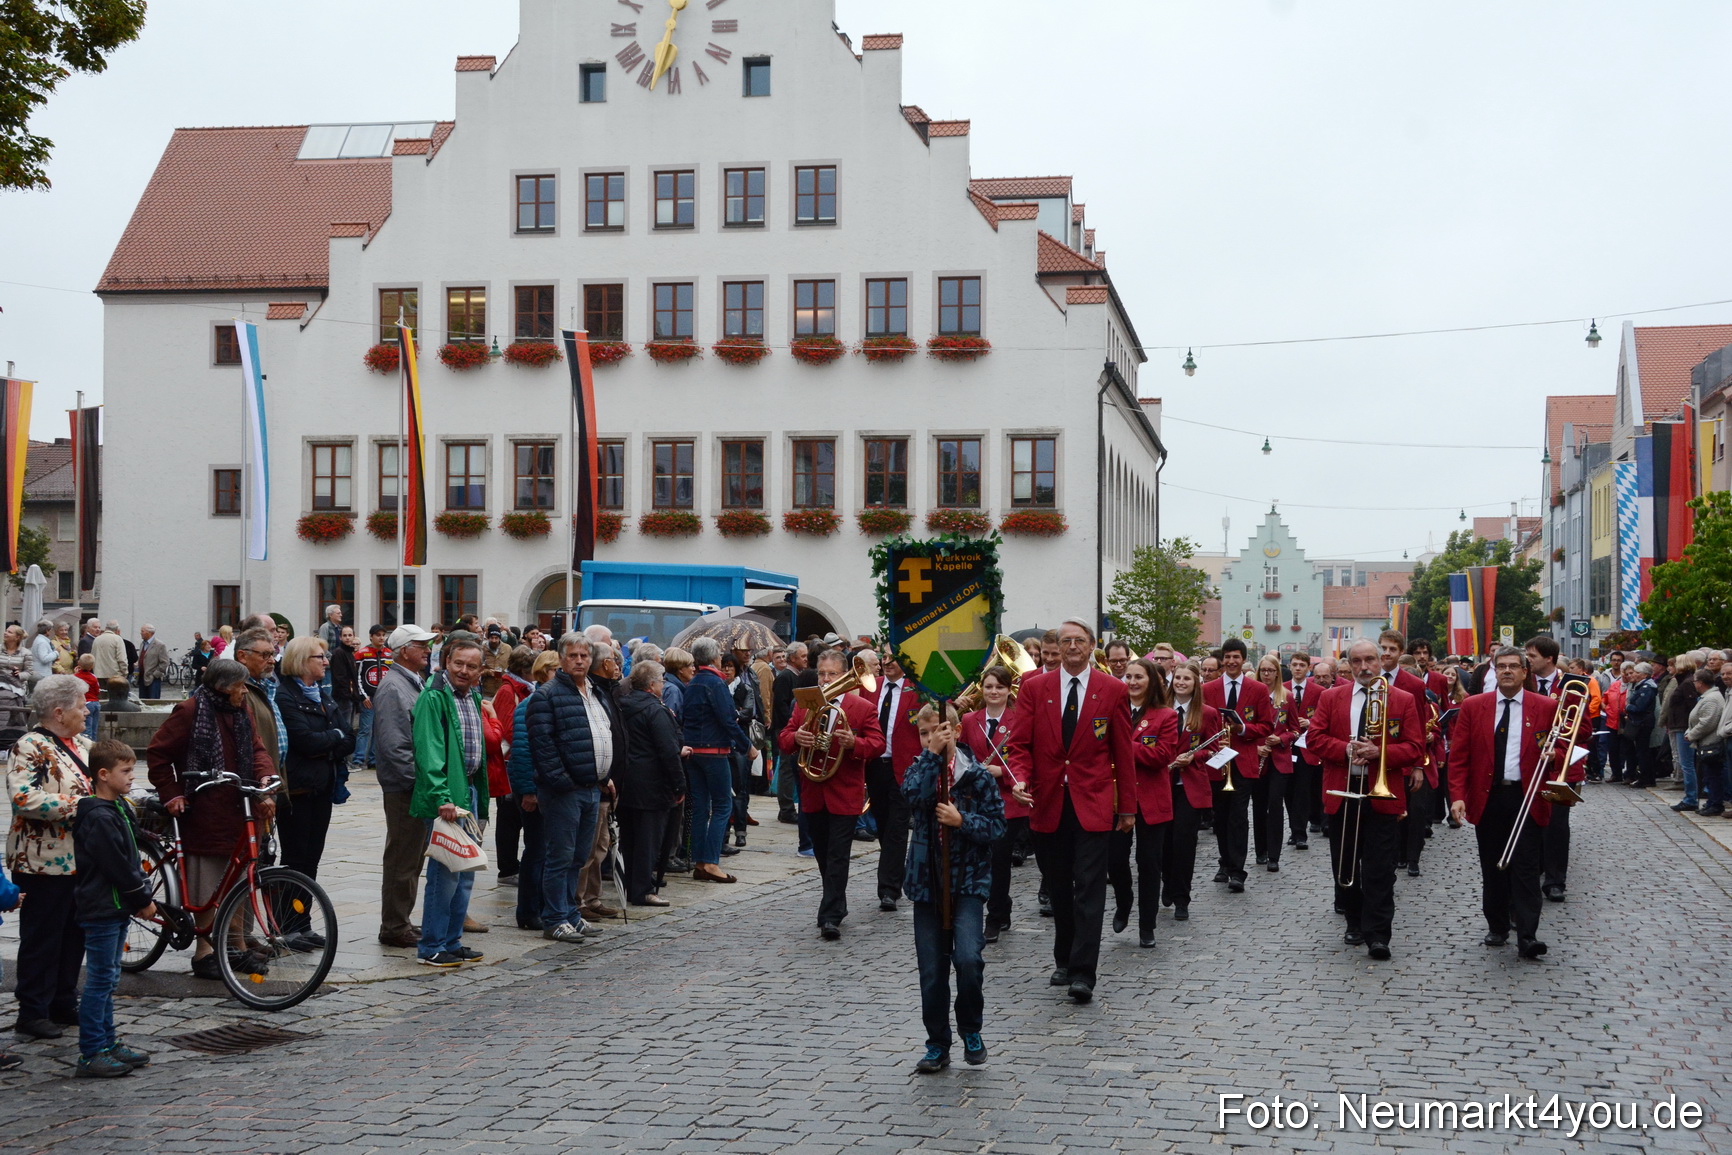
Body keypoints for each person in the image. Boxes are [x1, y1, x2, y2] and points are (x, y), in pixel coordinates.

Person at [1004, 618, 1135, 1004]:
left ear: (1092, 645)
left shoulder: (1111, 689)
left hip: (1093, 804)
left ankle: (1083, 972)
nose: (1073, 647)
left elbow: (1122, 752)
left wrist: (1127, 807)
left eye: (1080, 641)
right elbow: (1019, 744)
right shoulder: (1034, 687)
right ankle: (1064, 957)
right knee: (1058, 887)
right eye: (1066, 641)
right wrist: (1021, 778)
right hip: (1047, 803)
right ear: (1057, 647)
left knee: (1089, 888)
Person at [1449, 647, 1581, 960]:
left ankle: (1527, 935)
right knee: (1493, 865)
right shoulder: (1473, 706)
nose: (1507, 671)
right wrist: (1456, 796)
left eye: (1513, 666)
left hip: (1528, 796)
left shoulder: (1546, 706)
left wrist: (1555, 756)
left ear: (1525, 672)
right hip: (1488, 797)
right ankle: (1497, 925)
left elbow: (1567, 749)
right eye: (1501, 667)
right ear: (1493, 672)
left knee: (1525, 868)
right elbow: (1459, 757)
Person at [146, 658, 275, 976]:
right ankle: (204, 953)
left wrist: (264, 778)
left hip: (240, 807)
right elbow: (158, 754)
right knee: (207, 883)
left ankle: (236, 948)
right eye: (239, 685)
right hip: (205, 810)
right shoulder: (190, 711)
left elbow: (257, 750)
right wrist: (173, 793)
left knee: (238, 880)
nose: (244, 690)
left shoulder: (241, 709)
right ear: (222, 687)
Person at [1306, 639, 1425, 961]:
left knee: (1380, 867)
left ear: (1381, 661)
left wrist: (1380, 752)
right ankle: (1354, 921)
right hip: (1342, 791)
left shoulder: (1401, 699)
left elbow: (1415, 747)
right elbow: (1315, 737)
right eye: (1356, 661)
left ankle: (1378, 934)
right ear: (1349, 663)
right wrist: (1344, 749)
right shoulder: (1332, 697)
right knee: (1345, 864)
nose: (1363, 667)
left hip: (1381, 793)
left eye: (1370, 660)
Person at [902, 703, 1005, 1073]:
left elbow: (996, 827)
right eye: (924, 733)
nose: (931, 738)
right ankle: (937, 1041)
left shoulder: (977, 776)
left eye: (938, 731)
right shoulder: (921, 768)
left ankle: (970, 1029)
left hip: (968, 883)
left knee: (967, 959)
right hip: (927, 882)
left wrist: (963, 821)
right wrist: (930, 757)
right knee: (931, 969)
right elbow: (912, 796)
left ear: (956, 731)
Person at [7, 674, 94, 1039]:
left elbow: (107, 779)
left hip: (79, 860)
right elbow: (24, 799)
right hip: (41, 861)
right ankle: (32, 1012)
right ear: (59, 712)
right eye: (80, 705)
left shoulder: (82, 744)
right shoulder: (29, 746)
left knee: (73, 936)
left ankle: (62, 1001)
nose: (87, 710)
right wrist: (84, 805)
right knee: (42, 938)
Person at [779, 647, 885, 939]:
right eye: (822, 674)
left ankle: (830, 916)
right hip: (813, 791)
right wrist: (796, 737)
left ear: (845, 675)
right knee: (824, 855)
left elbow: (877, 744)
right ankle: (836, 901)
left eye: (832, 674)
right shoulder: (805, 704)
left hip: (845, 792)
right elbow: (784, 738)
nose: (826, 680)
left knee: (839, 855)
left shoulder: (862, 707)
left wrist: (853, 743)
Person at [409, 635, 498, 967]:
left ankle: (452, 940)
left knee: (466, 872)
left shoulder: (472, 696)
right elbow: (429, 753)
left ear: (480, 670)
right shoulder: (434, 698)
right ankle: (432, 945)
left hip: (470, 794)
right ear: (446, 661)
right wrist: (442, 797)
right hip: (449, 799)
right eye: (458, 663)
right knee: (444, 874)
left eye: (472, 666)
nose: (464, 670)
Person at [71, 739, 157, 1078]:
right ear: (103, 775)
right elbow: (117, 866)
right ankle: (91, 1051)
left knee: (109, 978)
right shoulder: (99, 817)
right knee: (99, 980)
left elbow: (132, 855)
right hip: (102, 907)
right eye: (125, 771)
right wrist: (142, 899)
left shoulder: (117, 808)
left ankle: (107, 1042)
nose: (132, 777)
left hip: (115, 906)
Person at [525, 632, 613, 944]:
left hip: (591, 788)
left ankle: (571, 914)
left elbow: (601, 732)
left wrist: (604, 775)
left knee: (580, 857)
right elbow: (543, 747)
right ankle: (555, 918)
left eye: (584, 656)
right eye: (573, 656)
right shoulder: (546, 695)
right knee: (560, 856)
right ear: (562, 659)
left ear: (592, 659)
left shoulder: (595, 691)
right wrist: (563, 782)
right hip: (565, 791)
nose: (579, 661)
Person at [275, 635, 352, 942]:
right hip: (298, 790)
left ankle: (302, 922)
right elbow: (304, 741)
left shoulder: (323, 695)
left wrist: (328, 741)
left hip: (322, 786)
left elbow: (348, 738)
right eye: (319, 657)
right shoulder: (286, 697)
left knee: (312, 859)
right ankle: (287, 924)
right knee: (295, 859)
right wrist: (330, 740)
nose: (325, 662)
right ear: (301, 661)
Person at [1108, 658, 1177, 948]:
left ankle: (1147, 925)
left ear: (1152, 682)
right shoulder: (1114, 712)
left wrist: (1124, 744)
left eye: (1139, 677)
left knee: (1149, 864)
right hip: (1116, 799)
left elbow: (1162, 756)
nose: (1133, 682)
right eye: (1129, 677)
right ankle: (1124, 902)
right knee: (1115, 861)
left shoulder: (1166, 716)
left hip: (1152, 800)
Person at [1200, 638, 1274, 893]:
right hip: (1217, 761)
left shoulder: (1258, 689)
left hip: (1243, 761)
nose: (1231, 661)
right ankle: (1224, 862)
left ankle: (1237, 871)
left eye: (1236, 657)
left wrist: (1242, 728)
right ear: (1223, 660)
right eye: (1228, 657)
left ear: (1243, 660)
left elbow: (1267, 726)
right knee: (1220, 817)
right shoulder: (1208, 689)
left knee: (1238, 818)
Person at [615, 660, 686, 907]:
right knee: (648, 839)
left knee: (630, 837)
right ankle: (643, 888)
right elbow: (668, 750)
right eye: (661, 680)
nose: (663, 684)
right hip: (652, 784)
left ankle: (630, 884)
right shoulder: (655, 710)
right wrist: (679, 785)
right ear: (653, 684)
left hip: (626, 781)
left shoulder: (621, 705)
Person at [963, 666, 1023, 943]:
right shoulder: (969, 719)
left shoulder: (1019, 719)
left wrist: (1002, 770)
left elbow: (1026, 754)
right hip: (975, 801)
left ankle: (995, 916)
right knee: (978, 861)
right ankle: (992, 907)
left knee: (999, 861)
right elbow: (961, 754)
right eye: (988, 687)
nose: (994, 692)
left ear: (1008, 690)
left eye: (999, 687)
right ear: (981, 690)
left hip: (1006, 801)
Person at [682, 638, 750, 884]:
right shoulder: (715, 683)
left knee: (701, 808)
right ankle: (710, 862)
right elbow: (727, 720)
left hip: (694, 752)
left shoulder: (693, 683)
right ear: (713, 658)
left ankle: (700, 862)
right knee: (723, 806)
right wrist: (747, 746)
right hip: (714, 751)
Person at [505, 650, 561, 928]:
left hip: (547, 787)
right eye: (556, 669)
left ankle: (540, 905)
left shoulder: (548, 699)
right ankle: (528, 911)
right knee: (536, 850)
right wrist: (529, 791)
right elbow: (523, 751)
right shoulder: (532, 704)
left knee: (545, 850)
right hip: (533, 788)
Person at [1160, 661, 1220, 923]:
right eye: (1178, 678)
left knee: (1184, 844)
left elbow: (1215, 749)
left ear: (1196, 684)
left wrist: (1194, 756)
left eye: (1187, 679)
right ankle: (1167, 880)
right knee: (1163, 843)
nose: (1181, 682)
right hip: (1161, 785)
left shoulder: (1206, 713)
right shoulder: (1160, 710)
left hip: (1189, 787)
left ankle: (1182, 897)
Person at [865, 651, 920, 911]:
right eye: (884, 657)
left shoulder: (916, 690)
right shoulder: (870, 686)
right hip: (874, 765)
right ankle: (893, 873)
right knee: (883, 825)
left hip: (903, 769)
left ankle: (889, 889)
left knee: (897, 828)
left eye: (893, 658)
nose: (887, 663)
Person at [577, 643, 627, 922]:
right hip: (595, 782)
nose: (617, 664)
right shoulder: (594, 691)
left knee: (601, 845)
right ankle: (580, 899)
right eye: (612, 659)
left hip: (609, 782)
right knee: (589, 847)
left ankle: (592, 897)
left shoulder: (606, 690)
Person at [491, 646, 537, 882]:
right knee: (508, 819)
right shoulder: (509, 690)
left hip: (515, 761)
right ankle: (507, 868)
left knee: (514, 818)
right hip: (510, 763)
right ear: (524, 670)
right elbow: (508, 728)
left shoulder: (523, 688)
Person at [231, 626, 285, 773]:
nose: (272, 661)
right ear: (242, 656)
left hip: (272, 779)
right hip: (255, 784)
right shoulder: (236, 692)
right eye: (265, 655)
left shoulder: (265, 687)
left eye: (272, 654)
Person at [772, 641, 808, 825]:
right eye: (803, 656)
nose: (806, 659)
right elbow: (781, 705)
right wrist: (792, 728)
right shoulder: (786, 677)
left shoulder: (796, 675)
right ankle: (786, 808)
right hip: (787, 729)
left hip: (793, 729)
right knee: (786, 768)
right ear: (793, 658)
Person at [1685, 669, 1724, 818]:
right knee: (1709, 775)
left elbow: (1708, 722)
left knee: (1713, 775)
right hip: (1705, 742)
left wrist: (1692, 734)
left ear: (1700, 683)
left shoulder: (1712, 698)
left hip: (1711, 742)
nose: (1694, 683)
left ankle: (1715, 803)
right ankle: (1712, 802)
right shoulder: (1707, 697)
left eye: (1695, 681)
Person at [351, 625, 391, 770]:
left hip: (383, 698)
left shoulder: (389, 654)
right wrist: (362, 696)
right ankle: (358, 759)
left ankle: (374, 759)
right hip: (368, 698)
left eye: (383, 635)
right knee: (365, 729)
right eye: (378, 635)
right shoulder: (362, 654)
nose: (381, 638)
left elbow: (391, 677)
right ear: (371, 636)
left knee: (379, 729)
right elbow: (357, 677)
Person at [1620, 662, 1659, 787]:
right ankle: (1646, 777)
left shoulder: (1647, 688)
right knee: (1641, 751)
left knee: (1643, 752)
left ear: (1645, 675)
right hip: (1640, 721)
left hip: (1643, 723)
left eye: (1637, 672)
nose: (1634, 675)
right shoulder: (1640, 686)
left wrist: (1628, 706)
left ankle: (1646, 778)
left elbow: (1640, 707)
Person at [135, 625, 169, 700]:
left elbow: (164, 662)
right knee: (143, 702)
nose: (141, 633)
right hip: (142, 678)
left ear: (149, 633)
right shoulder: (142, 644)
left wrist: (155, 675)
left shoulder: (159, 645)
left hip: (153, 680)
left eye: (142, 631)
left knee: (153, 702)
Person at [73, 653, 100, 740]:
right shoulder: (93, 677)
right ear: (92, 666)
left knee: (86, 729)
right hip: (95, 703)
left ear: (79, 664)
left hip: (86, 704)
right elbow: (97, 691)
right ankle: (94, 745)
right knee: (94, 728)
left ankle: (87, 747)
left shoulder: (75, 677)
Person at [28, 620, 56, 690]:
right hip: (42, 675)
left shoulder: (41, 640)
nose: (53, 631)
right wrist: (56, 653)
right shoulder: (42, 642)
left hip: (41, 673)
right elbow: (44, 658)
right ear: (47, 631)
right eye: (52, 629)